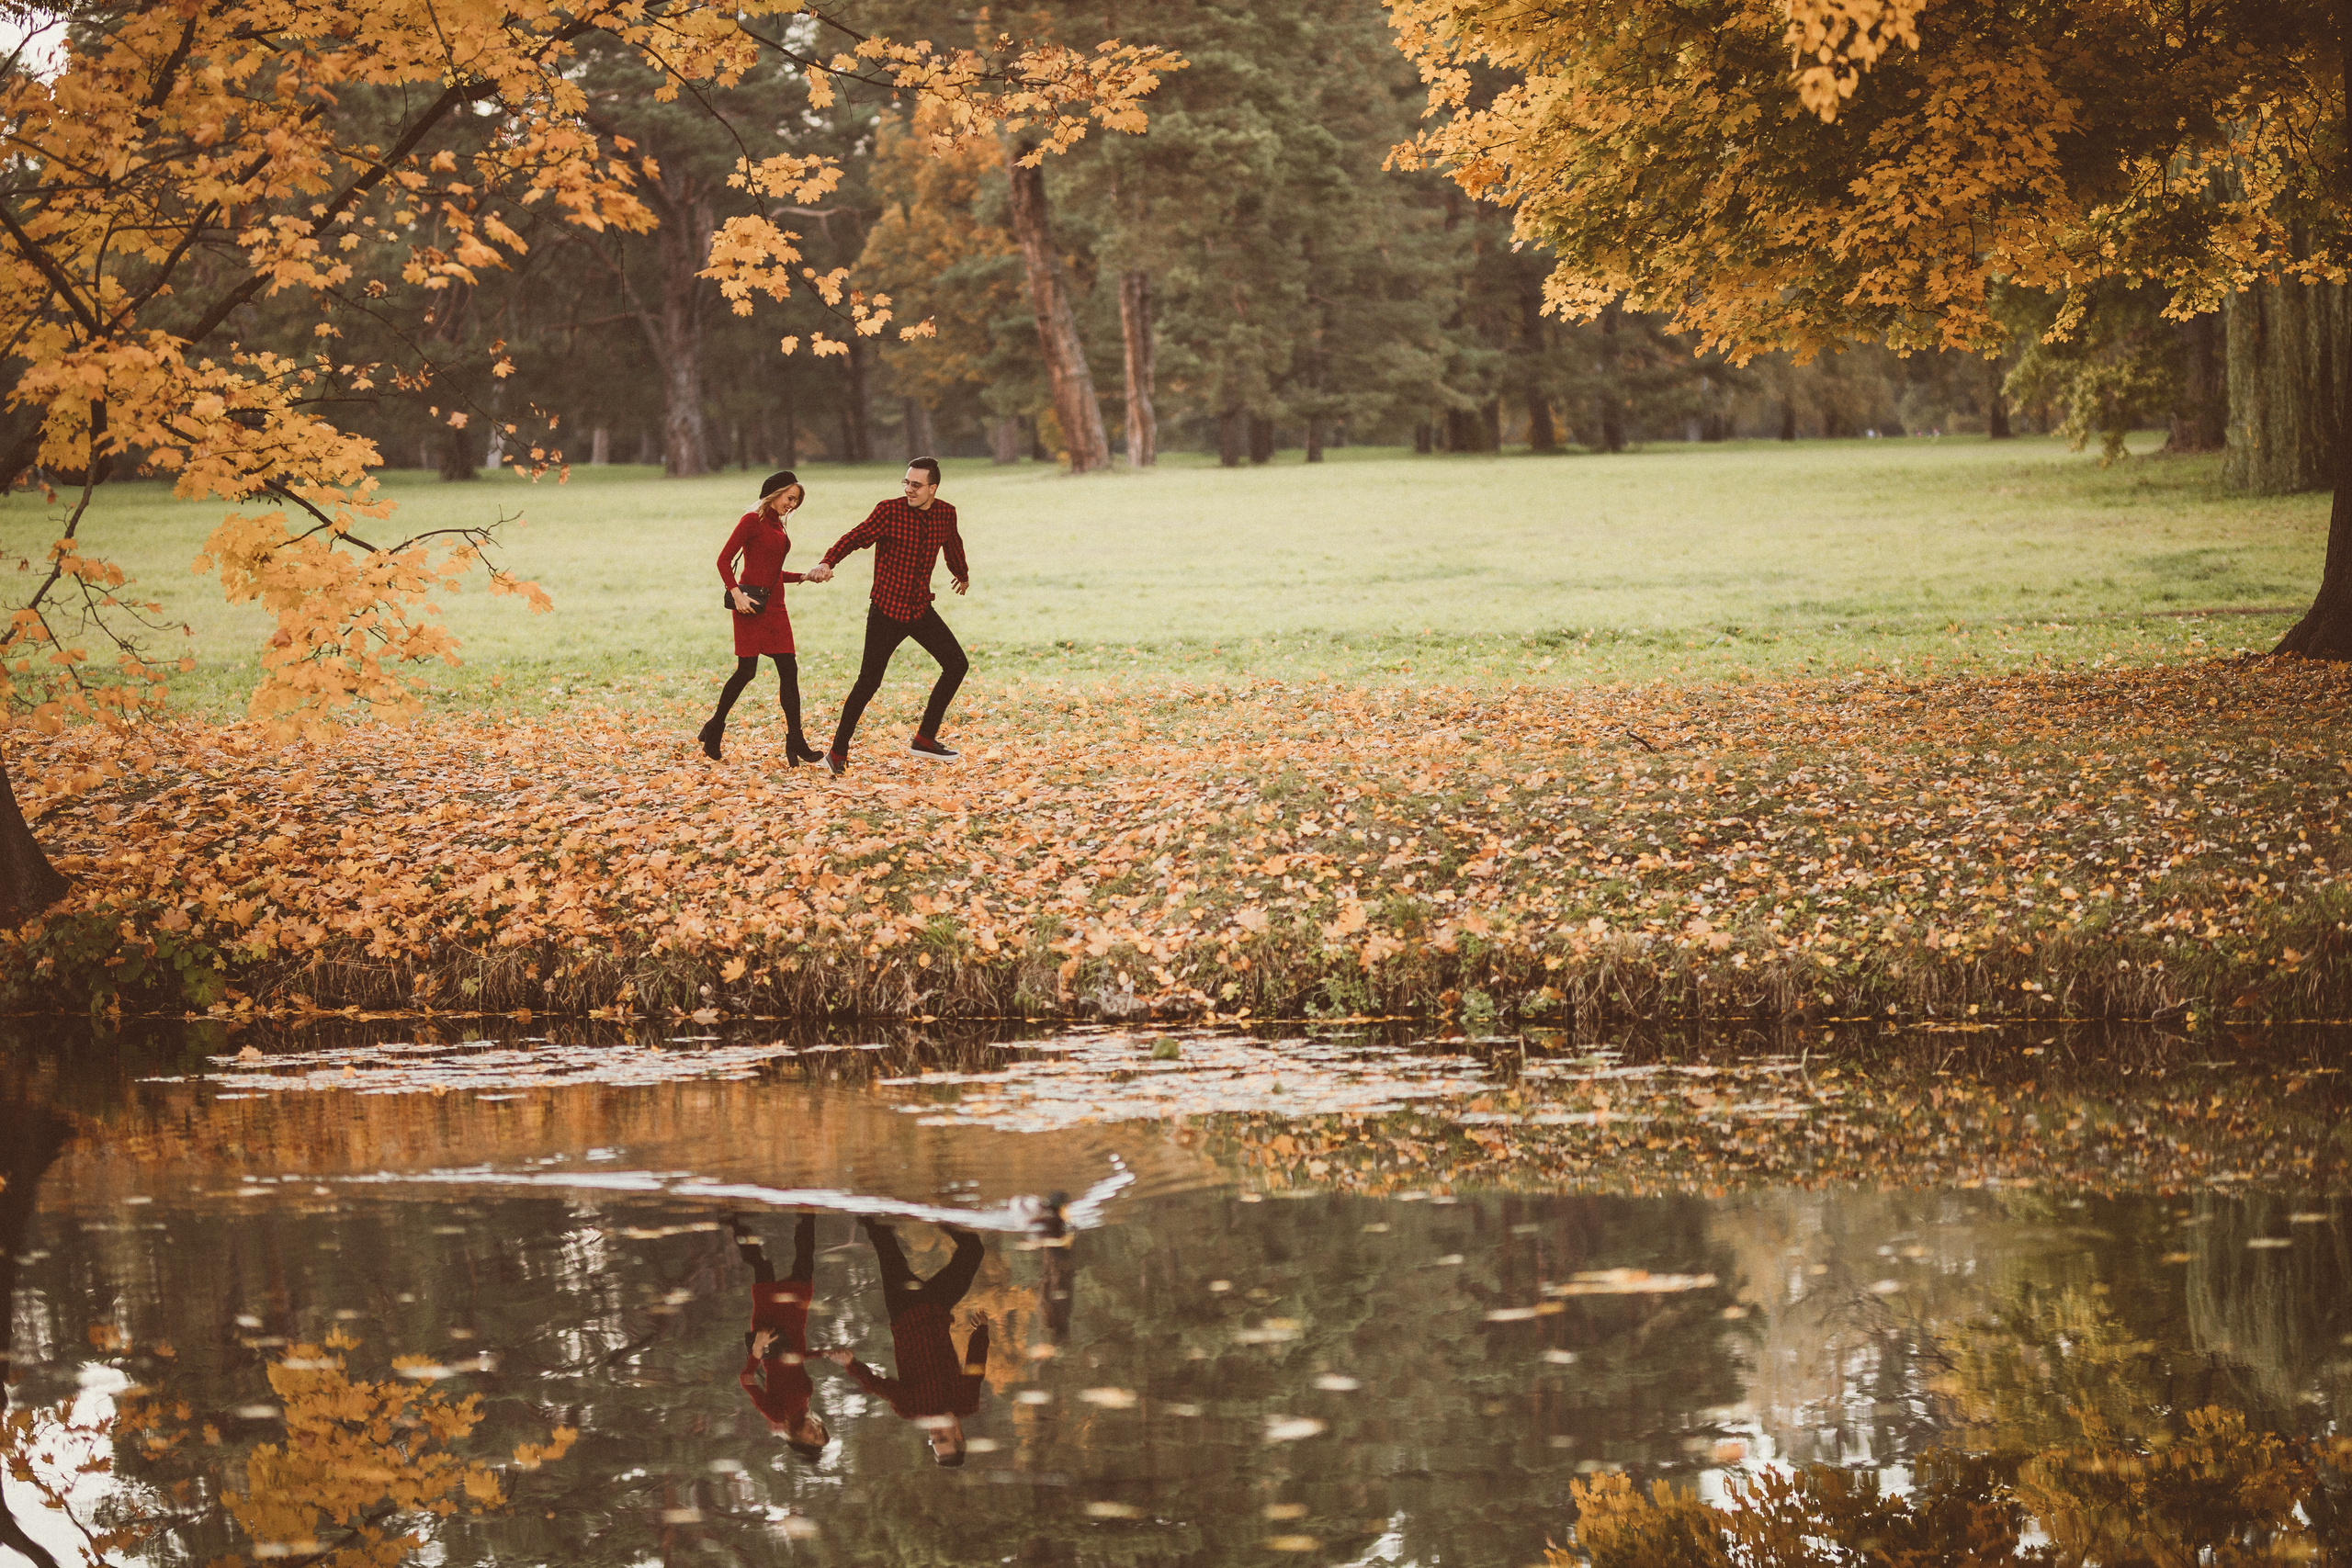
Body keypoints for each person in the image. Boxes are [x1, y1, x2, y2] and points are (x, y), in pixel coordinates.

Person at [802, 457, 967, 774]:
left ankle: (925, 738)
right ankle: (837, 753)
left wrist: (962, 574)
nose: (909, 489)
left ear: (932, 488)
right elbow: (856, 537)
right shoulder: (889, 511)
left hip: (919, 608)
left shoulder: (946, 513)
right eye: (906, 482)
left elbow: (953, 544)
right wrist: (828, 562)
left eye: (916, 485)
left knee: (957, 664)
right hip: (887, 610)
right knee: (868, 681)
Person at [824, 1219, 989, 1466]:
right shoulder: (968, 1401)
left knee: (883, 1239)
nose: (934, 1435)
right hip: (937, 1307)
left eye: (934, 1442)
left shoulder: (911, 1408)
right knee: (973, 1249)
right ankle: (934, 1211)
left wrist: (851, 1364)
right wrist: (981, 1331)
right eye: (943, 1438)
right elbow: (975, 1366)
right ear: (958, 1434)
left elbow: (877, 1386)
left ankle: (867, 1203)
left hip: (905, 1309)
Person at [700, 471, 824, 765]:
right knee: (746, 672)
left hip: (776, 607)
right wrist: (737, 594)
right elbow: (723, 560)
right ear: (775, 493)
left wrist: (804, 576)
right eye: (789, 498)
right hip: (750, 606)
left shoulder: (777, 527)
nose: (792, 504)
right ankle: (715, 727)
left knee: (789, 669)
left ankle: (795, 740)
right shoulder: (751, 521)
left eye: (796, 500)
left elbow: (772, 574)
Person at [733, 1213, 831, 1461]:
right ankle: (807, 1212)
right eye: (819, 1432)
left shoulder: (778, 1416)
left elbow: (747, 1380)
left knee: (762, 1266)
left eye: (811, 1438)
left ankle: (734, 1219)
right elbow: (797, 1360)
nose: (814, 1431)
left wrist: (756, 1351)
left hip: (771, 1335)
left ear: (798, 1441)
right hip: (796, 1325)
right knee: (805, 1265)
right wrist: (825, 1353)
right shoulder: (806, 1403)